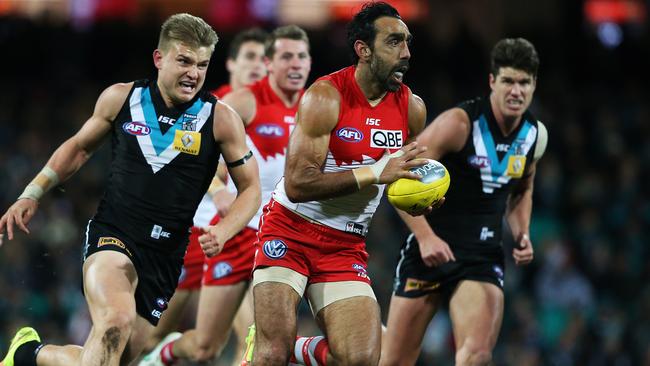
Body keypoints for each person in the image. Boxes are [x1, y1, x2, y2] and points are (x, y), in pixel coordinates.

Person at [0, 13, 261, 366]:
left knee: (115, 358)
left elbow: (251, 190)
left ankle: (30, 354)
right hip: (114, 235)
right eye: (184, 61)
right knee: (114, 322)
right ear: (159, 58)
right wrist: (31, 193)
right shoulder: (123, 99)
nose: (193, 73)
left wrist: (225, 230)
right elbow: (78, 148)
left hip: (165, 256)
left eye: (202, 64)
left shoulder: (220, 119)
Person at [245, 3, 429, 365]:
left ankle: (296, 347)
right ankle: (278, 347)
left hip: (345, 245)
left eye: (407, 42)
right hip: (289, 231)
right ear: (364, 50)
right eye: (394, 42)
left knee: (360, 360)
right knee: (271, 356)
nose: (406, 53)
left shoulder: (412, 109)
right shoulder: (325, 96)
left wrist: (419, 198)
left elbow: (399, 177)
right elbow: (298, 183)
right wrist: (377, 172)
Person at [142, 25, 312, 366]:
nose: (256, 66)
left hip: (269, 236)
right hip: (204, 232)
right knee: (193, 344)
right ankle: (159, 353)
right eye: (250, 57)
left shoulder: (312, 105)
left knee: (256, 333)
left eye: (302, 57)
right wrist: (219, 192)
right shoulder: (224, 106)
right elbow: (185, 160)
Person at [381, 38, 548, 366]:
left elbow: (522, 188)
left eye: (524, 82)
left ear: (534, 85)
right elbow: (396, 177)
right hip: (429, 254)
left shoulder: (534, 136)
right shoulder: (459, 124)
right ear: (492, 82)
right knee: (394, 361)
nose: (516, 91)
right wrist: (426, 237)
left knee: (477, 355)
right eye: (509, 81)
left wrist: (522, 231)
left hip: (480, 257)